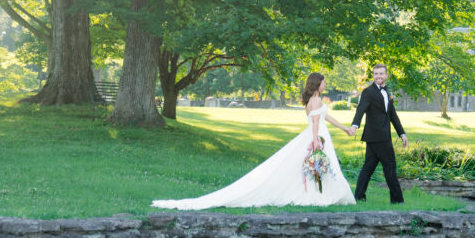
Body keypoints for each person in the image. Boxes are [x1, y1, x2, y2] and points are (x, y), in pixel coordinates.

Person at [151, 73, 356, 210]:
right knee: (313, 167)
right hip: (317, 137)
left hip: (319, 135)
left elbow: (324, 118)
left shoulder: (312, 101)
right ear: (317, 83)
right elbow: (316, 123)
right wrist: (315, 142)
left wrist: (345, 128)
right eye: (323, 81)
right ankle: (318, 195)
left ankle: (320, 193)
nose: (325, 84)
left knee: (312, 169)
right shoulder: (317, 100)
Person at [349, 64, 407, 203]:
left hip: (378, 136)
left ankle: (359, 196)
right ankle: (397, 200)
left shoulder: (387, 92)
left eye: (381, 74)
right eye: (376, 74)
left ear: (386, 75)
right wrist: (354, 125)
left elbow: (392, 115)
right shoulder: (368, 92)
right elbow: (361, 109)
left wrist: (402, 133)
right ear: (373, 75)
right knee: (390, 166)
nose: (378, 76)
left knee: (368, 167)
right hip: (379, 136)